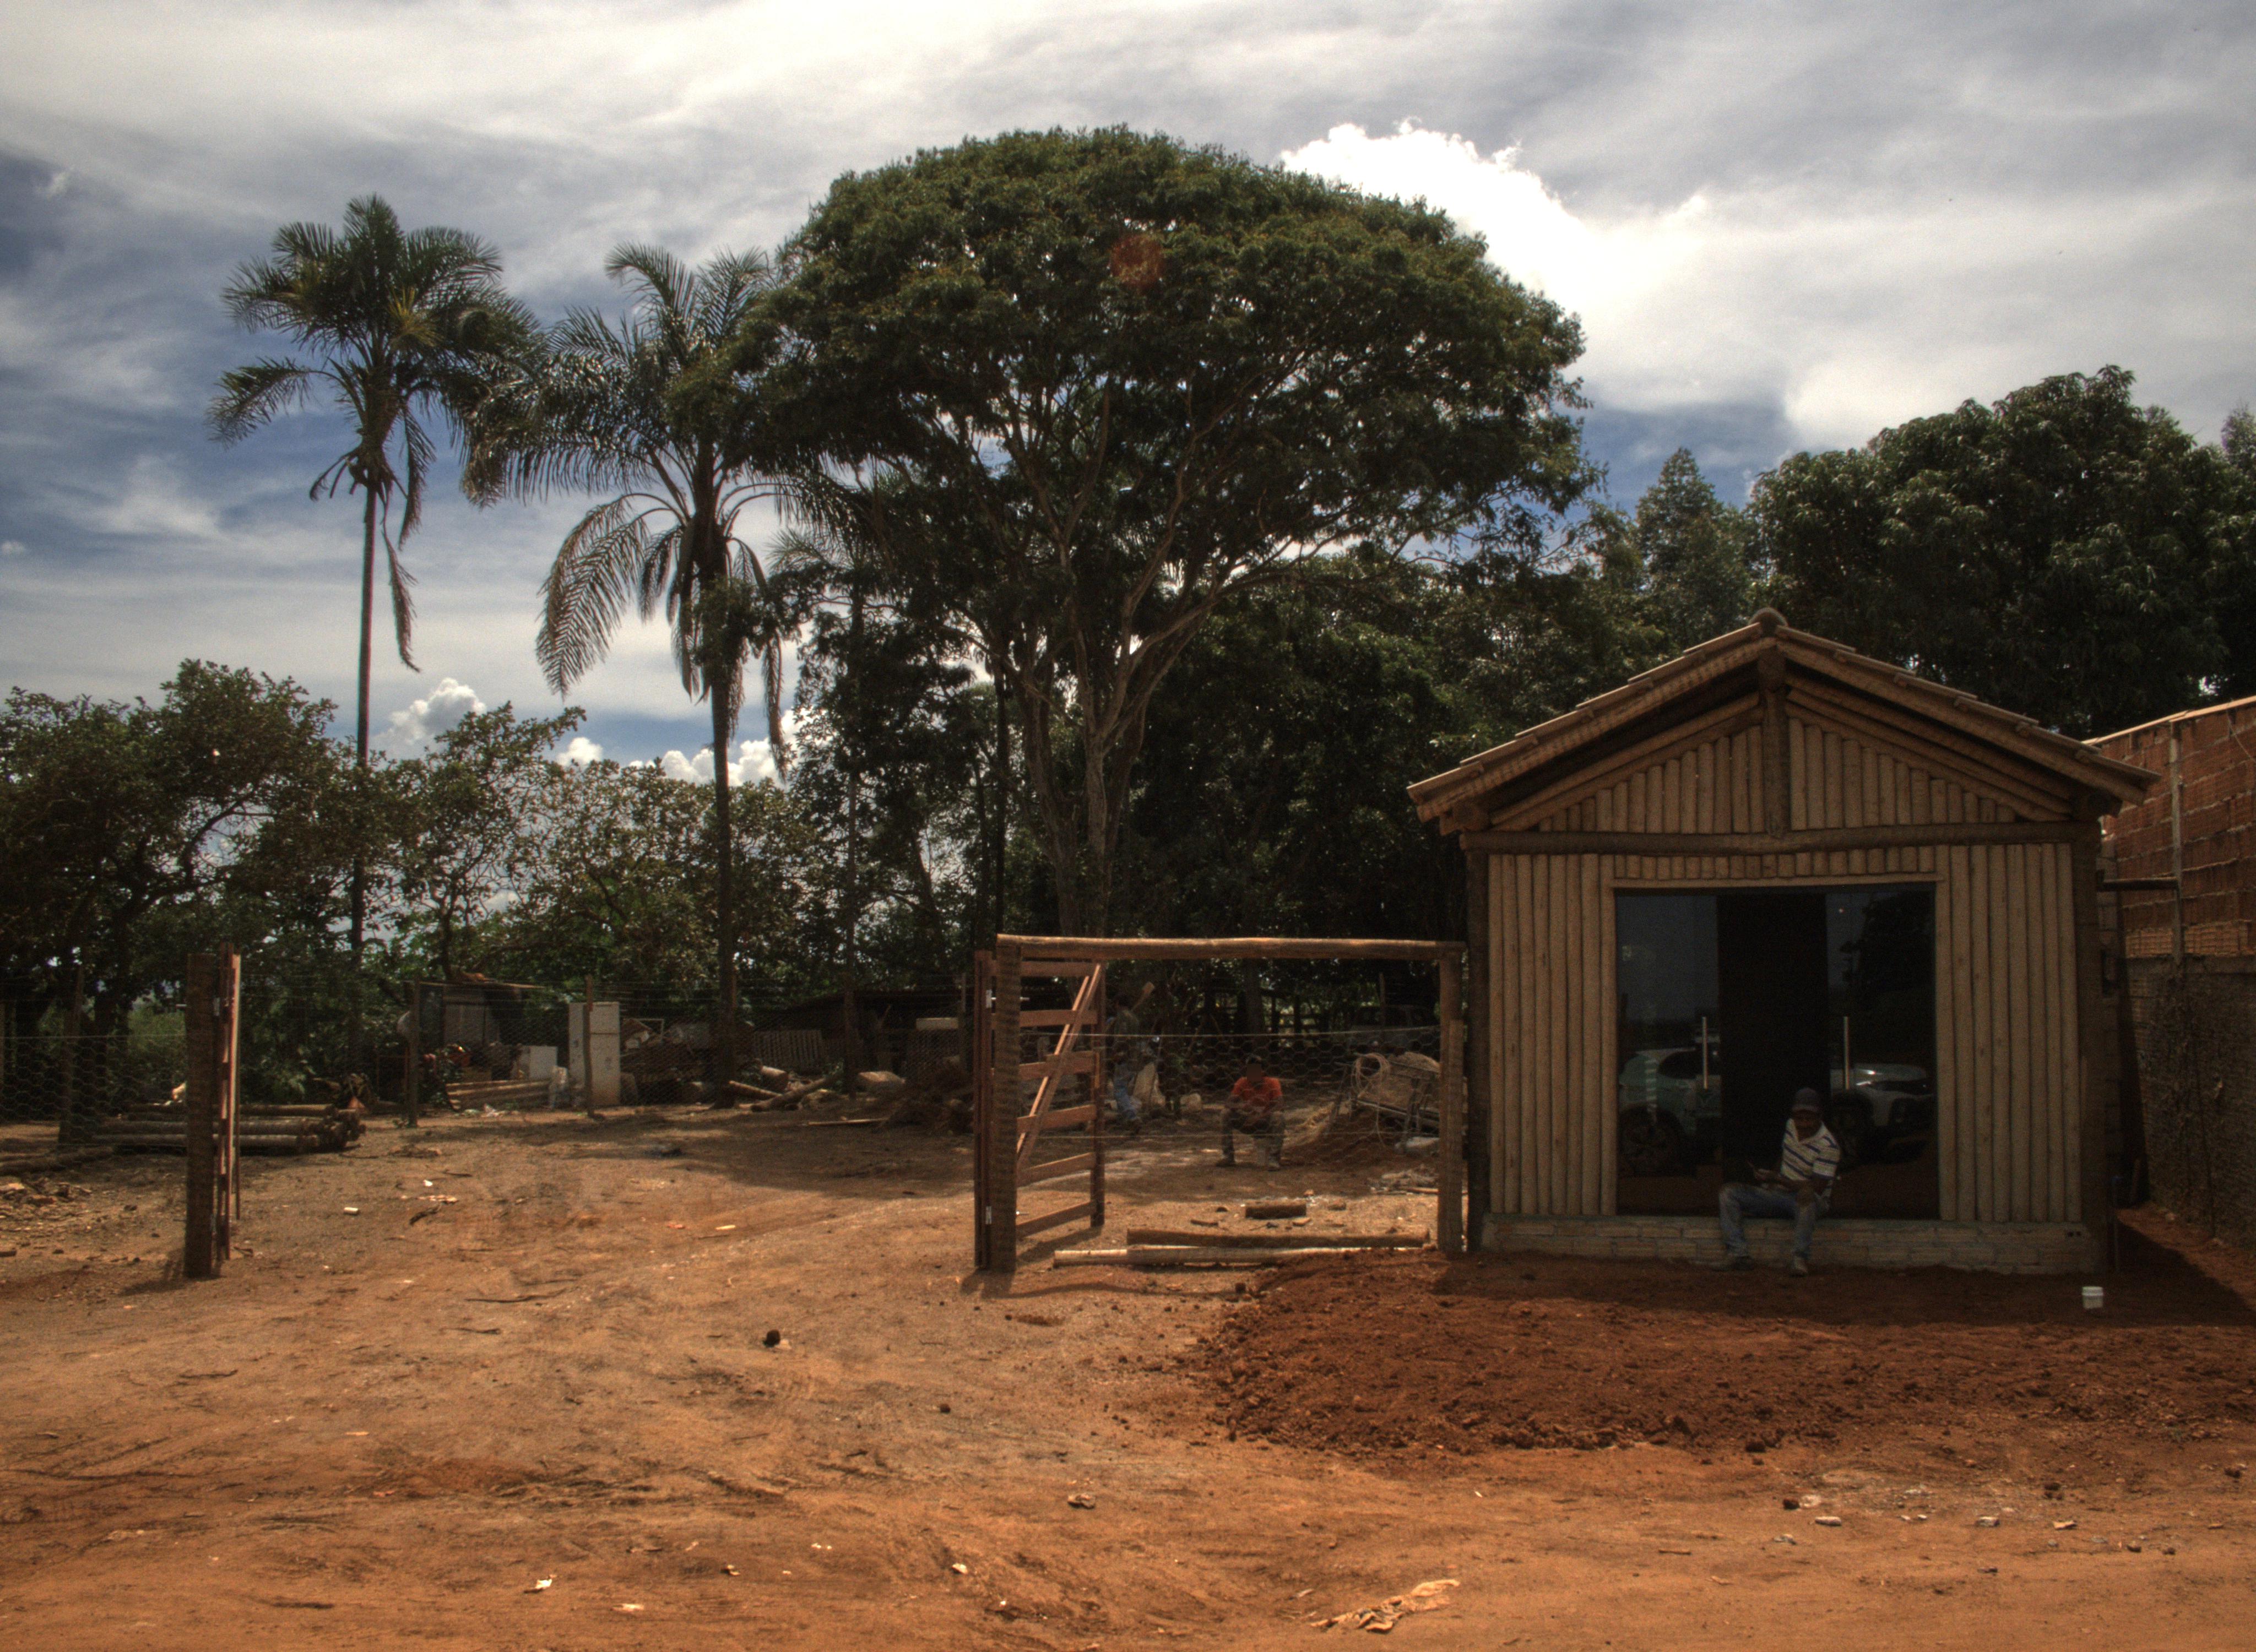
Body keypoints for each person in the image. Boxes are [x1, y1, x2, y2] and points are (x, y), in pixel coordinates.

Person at [1712, 1088, 1840, 1276]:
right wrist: (1771, 1176)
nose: (1804, 1124)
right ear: (1793, 1117)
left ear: (1820, 1117)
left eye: (1809, 1119)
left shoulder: (1828, 1145)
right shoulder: (1791, 1126)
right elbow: (1786, 1154)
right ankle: (1738, 1253)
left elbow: (1817, 1188)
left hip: (1810, 1200)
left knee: (1806, 1197)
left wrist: (1778, 1179)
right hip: (1781, 1194)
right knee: (1729, 1193)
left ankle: (1800, 1258)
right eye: (1800, 1119)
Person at [1106, 983, 1157, 1133]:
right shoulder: (1133, 1018)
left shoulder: (1122, 1018)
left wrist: (1115, 1051)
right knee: (1123, 1089)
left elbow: (1122, 1038)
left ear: (1117, 1003)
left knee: (1119, 1090)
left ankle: (1132, 1117)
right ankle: (1125, 1120)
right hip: (1134, 1057)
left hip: (1124, 1057)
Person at [1223, 1055, 1284, 1169]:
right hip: (1248, 1121)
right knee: (1225, 1114)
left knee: (1279, 1116)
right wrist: (1242, 1106)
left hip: (1266, 1123)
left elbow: (1280, 1105)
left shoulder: (1273, 1082)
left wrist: (1259, 1117)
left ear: (1263, 1072)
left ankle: (1274, 1159)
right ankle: (1228, 1157)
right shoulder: (1242, 1082)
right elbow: (1228, 1103)